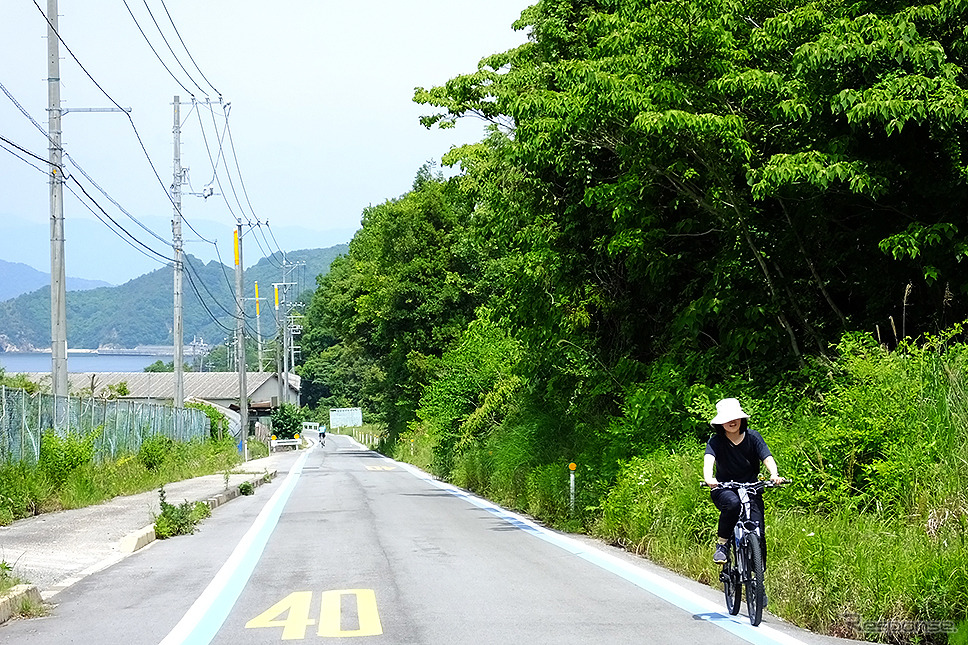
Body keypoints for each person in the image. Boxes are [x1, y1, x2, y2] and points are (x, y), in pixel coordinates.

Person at [703, 397, 782, 565]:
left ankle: (758, 584)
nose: (732, 422)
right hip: (724, 488)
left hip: (750, 488)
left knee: (758, 531)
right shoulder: (715, 441)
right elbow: (709, 460)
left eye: (735, 418)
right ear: (720, 423)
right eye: (727, 419)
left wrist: (774, 474)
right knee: (732, 504)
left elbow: (766, 457)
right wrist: (709, 478)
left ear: (741, 419)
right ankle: (722, 545)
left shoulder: (753, 437)